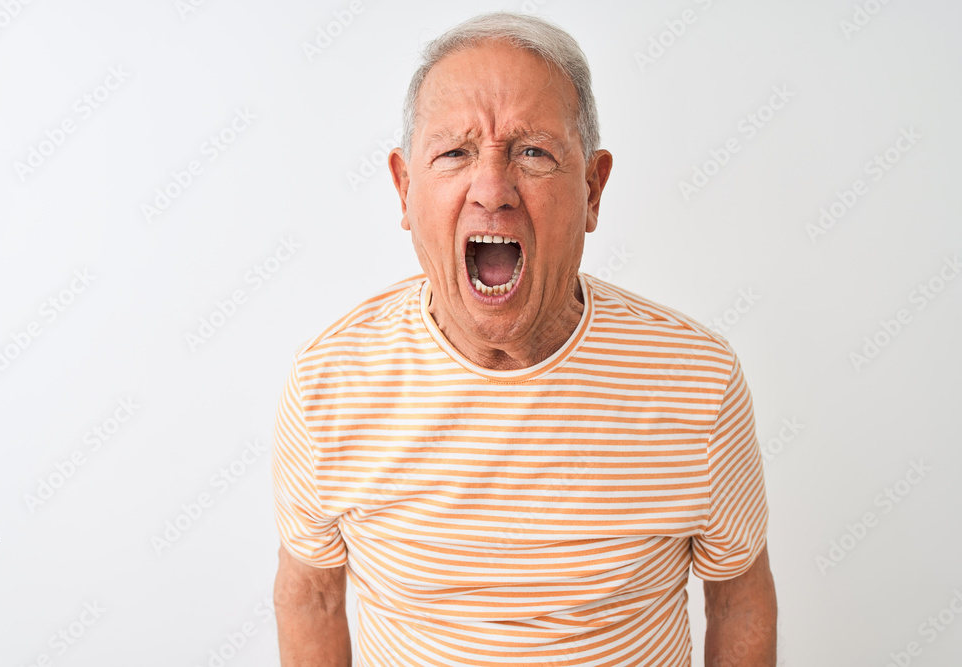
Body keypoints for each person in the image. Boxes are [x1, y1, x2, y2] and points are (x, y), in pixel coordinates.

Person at [272, 11, 776, 666]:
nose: (492, 189)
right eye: (455, 153)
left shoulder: (697, 381)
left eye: (533, 152)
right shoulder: (328, 383)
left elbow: (739, 596)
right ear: (403, 187)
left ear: (593, 189)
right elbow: (309, 595)